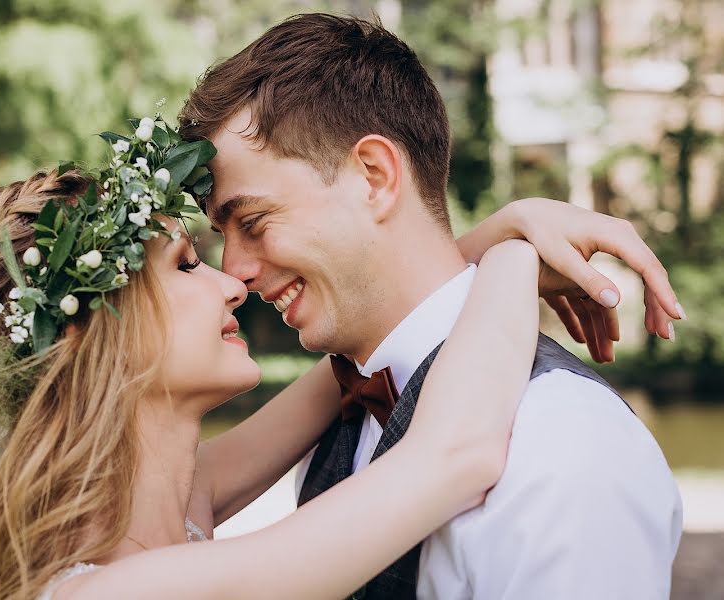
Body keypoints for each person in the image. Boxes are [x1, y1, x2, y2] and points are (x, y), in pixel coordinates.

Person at [178, 13, 683, 599]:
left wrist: (506, 244)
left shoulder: (564, 443)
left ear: (373, 176)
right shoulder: (349, 403)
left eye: (254, 221)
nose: (232, 270)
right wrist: (507, 247)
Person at [0, 154, 544, 598]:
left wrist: (474, 245)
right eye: (185, 266)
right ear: (93, 332)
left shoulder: (169, 506)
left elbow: (367, 341)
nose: (230, 282)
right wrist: (518, 253)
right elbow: (457, 453)